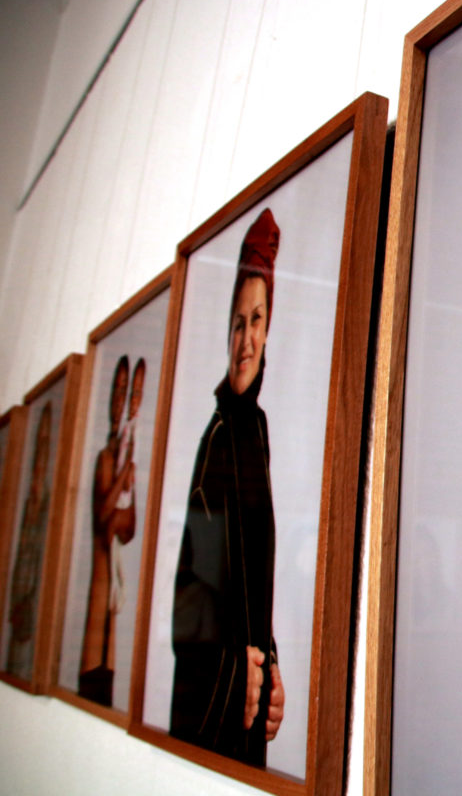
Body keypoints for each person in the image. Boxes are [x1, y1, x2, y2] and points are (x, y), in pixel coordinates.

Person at [169, 208, 285, 766]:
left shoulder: (255, 431)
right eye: (238, 323)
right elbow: (195, 593)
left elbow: (250, 579)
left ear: (269, 329)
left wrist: (271, 668)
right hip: (215, 716)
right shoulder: (218, 439)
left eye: (256, 320)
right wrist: (237, 670)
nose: (246, 339)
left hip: (245, 704)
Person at [79, 356, 139, 705]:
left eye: (127, 393)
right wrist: (123, 476)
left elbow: (128, 529)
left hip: (112, 614)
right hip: (96, 604)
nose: (121, 402)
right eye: (117, 391)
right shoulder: (105, 457)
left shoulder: (123, 461)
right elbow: (103, 519)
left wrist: (128, 480)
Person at [6, 403, 54, 679]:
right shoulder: (22, 504)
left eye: (47, 443)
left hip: (30, 631)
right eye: (40, 442)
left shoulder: (48, 505)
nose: (41, 451)